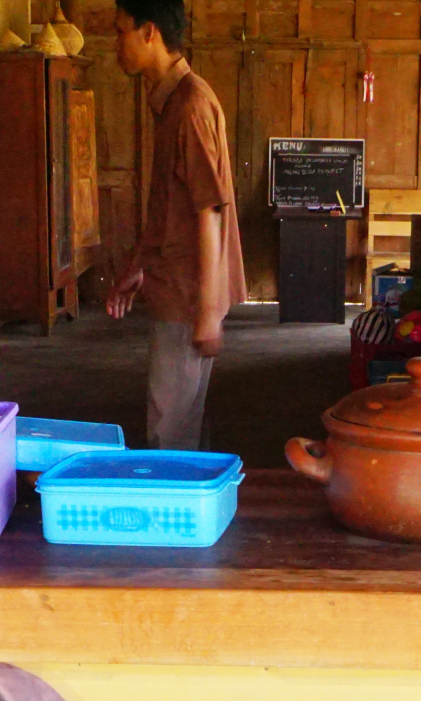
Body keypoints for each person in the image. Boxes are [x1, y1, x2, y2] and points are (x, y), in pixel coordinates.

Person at [105, 0, 245, 451]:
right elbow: (174, 208)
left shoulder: (190, 106)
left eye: (120, 31)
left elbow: (210, 211)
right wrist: (139, 265)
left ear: (149, 32)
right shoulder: (171, 102)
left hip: (187, 297)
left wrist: (206, 312)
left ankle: (180, 516)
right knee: (182, 422)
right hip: (175, 288)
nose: (116, 44)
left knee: (170, 432)